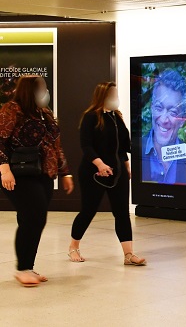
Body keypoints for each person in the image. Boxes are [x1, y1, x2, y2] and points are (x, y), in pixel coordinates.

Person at [0, 75, 74, 287]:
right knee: (33, 217)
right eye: (42, 88)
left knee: (33, 218)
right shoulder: (11, 110)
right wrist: (4, 170)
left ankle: (27, 266)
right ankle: (23, 268)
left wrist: (65, 173)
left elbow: (55, 145)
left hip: (44, 173)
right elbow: (0, 141)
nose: (46, 92)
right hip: (19, 173)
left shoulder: (45, 113)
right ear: (29, 90)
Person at [68, 82, 146, 265]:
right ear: (102, 96)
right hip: (93, 173)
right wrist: (100, 164)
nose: (115, 97)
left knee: (121, 213)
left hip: (116, 172)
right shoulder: (90, 117)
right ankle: (73, 247)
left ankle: (129, 255)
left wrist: (126, 165)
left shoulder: (116, 117)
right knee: (88, 211)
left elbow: (122, 147)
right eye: (112, 94)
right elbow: (86, 146)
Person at [141, 69, 186, 184]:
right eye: (159, 108)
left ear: (183, 119)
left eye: (173, 112)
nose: (163, 119)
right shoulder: (137, 149)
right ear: (151, 108)